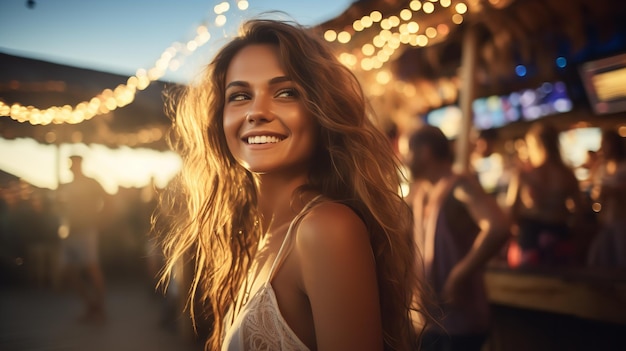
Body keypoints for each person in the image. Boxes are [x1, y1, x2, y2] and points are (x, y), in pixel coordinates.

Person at [157, 18, 434, 351]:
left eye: (286, 92)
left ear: (320, 112)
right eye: (240, 95)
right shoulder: (259, 234)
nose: (256, 112)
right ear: (220, 118)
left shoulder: (326, 228)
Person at [405, 125, 510, 351]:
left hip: (459, 321)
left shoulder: (460, 186)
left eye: (408, 152)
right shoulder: (420, 191)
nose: (405, 159)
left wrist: (458, 275)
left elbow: (498, 227)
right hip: (428, 320)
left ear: (424, 152)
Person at [505, 122, 585, 267]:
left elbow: (511, 209)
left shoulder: (525, 174)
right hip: (560, 232)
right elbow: (579, 211)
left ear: (534, 145)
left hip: (530, 234)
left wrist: (514, 232)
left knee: (531, 282)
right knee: (562, 282)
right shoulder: (568, 175)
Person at [57, 155, 107, 324]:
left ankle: (99, 305)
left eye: (73, 163)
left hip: (86, 229)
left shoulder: (91, 183)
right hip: (71, 231)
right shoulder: (67, 185)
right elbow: (62, 206)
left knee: (91, 266)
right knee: (69, 270)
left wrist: (99, 218)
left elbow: (108, 201)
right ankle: (90, 305)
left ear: (79, 164)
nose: (71, 167)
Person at [587, 129, 626, 268]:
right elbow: (595, 193)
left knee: (622, 257)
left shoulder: (623, 167)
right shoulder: (601, 168)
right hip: (605, 220)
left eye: (606, 143)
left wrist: (614, 191)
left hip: (622, 219)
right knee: (600, 257)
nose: (603, 147)